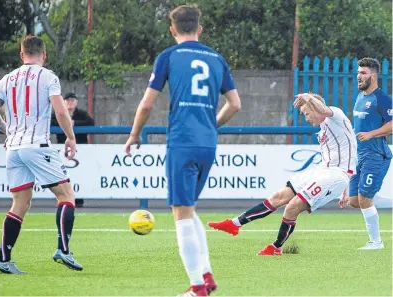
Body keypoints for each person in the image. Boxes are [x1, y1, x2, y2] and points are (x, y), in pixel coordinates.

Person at [124, 5, 241, 296]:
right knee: (187, 208)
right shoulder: (217, 58)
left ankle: (197, 287)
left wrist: (134, 134)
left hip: (182, 140)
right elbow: (235, 104)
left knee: (181, 212)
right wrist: (212, 125)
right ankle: (206, 275)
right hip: (207, 142)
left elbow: (148, 103)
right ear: (199, 28)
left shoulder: (169, 56)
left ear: (172, 29)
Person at [209, 93, 357, 256]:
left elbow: (343, 163)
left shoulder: (336, 116)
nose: (306, 118)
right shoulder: (323, 130)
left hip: (335, 175)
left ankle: (276, 247)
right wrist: (346, 189)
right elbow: (349, 154)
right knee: (278, 196)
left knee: (292, 207)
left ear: (315, 108)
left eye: (307, 113)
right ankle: (234, 224)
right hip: (323, 172)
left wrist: (307, 96)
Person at [0, 35, 83, 274]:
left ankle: (3, 258)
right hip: (37, 145)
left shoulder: (8, 78)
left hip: (14, 149)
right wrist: (70, 137)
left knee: (20, 203)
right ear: (44, 54)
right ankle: (63, 249)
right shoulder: (48, 76)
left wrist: (7, 131)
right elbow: (61, 111)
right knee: (66, 196)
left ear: (21, 55)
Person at [339, 58, 392, 250]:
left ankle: (376, 242)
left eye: (363, 73)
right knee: (355, 201)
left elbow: (392, 124)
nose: (359, 76)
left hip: (376, 155)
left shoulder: (382, 99)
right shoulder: (360, 97)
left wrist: (371, 134)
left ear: (373, 76)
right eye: (358, 73)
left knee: (364, 199)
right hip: (359, 155)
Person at [51, 92, 94, 207]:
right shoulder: (58, 113)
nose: (70, 102)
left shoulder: (81, 114)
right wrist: (65, 122)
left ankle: (79, 198)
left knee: (79, 173)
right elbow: (51, 123)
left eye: (72, 100)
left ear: (76, 102)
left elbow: (91, 123)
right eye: (68, 100)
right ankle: (63, 197)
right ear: (63, 102)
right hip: (62, 148)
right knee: (63, 173)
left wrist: (74, 123)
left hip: (80, 147)